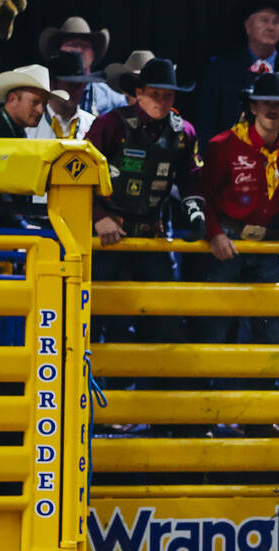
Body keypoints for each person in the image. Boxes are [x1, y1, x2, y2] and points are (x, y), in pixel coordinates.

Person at [193, 72, 279, 355]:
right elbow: (205, 196)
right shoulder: (222, 145)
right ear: (253, 107)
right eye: (265, 102)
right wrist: (214, 234)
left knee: (270, 324)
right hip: (227, 240)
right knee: (216, 322)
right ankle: (209, 393)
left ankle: (266, 391)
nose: (272, 109)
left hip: (266, 243)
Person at [85, 58, 205, 346]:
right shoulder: (110, 125)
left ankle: (156, 385)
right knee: (96, 314)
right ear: (138, 93)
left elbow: (192, 180)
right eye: (155, 94)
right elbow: (79, 175)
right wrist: (98, 215)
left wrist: (195, 213)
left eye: (168, 96)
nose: (162, 103)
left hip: (151, 236)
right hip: (106, 235)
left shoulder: (183, 133)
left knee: (162, 316)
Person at [198, 1, 279, 148]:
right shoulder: (221, 69)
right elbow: (206, 124)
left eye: (276, 22)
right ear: (248, 27)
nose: (271, 27)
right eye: (264, 20)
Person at [37, 16, 126, 117]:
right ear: (58, 52)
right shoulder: (41, 92)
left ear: (93, 55)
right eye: (72, 45)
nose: (78, 50)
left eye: (84, 46)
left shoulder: (111, 99)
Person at [0, 64, 67, 139]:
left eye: (44, 104)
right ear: (13, 99)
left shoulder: (13, 132)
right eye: (35, 102)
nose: (41, 110)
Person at [28, 52, 97, 141]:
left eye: (80, 86)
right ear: (53, 85)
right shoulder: (30, 126)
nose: (77, 92)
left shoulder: (92, 125)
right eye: (71, 86)